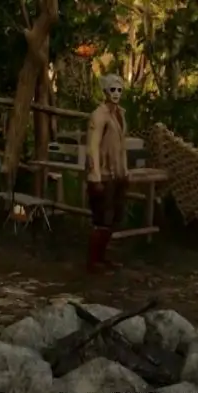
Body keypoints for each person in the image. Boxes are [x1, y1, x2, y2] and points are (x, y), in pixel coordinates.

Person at [85, 74, 129, 272]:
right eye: (113, 90)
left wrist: (125, 172)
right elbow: (92, 146)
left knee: (113, 219)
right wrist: (95, 177)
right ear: (105, 92)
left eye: (119, 90)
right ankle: (94, 261)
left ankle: (102, 258)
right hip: (103, 174)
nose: (116, 93)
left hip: (117, 174)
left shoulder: (120, 114)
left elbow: (122, 146)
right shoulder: (99, 115)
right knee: (102, 220)